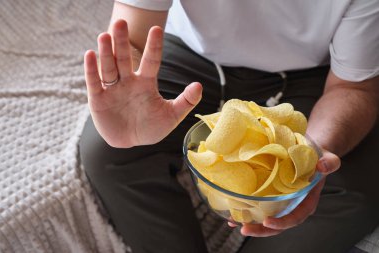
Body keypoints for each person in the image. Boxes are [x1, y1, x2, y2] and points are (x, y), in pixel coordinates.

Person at [79, 1, 379, 253]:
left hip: (311, 73)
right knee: (105, 151)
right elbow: (133, 33)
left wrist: (311, 157)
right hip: (191, 54)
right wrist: (125, 79)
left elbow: (354, 88)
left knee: (355, 192)